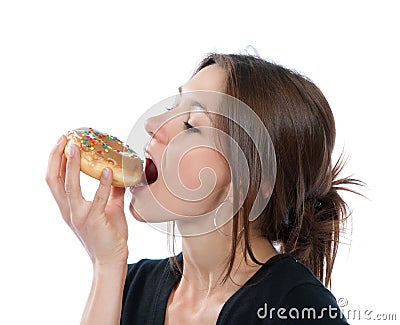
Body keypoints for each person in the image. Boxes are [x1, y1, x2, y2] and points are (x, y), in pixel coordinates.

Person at [46, 53, 363, 324]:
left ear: (250, 178)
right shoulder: (130, 285)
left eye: (191, 124)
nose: (152, 124)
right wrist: (106, 264)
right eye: (172, 107)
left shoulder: (299, 309)